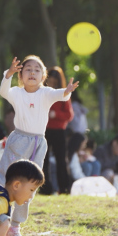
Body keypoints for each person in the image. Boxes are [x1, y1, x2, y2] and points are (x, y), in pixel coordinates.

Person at [0, 56, 78, 236]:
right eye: (28, 69)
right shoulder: (16, 92)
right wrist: (7, 74)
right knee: (5, 179)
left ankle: (15, 226)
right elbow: (3, 91)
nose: (32, 72)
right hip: (18, 139)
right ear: (21, 75)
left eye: (37, 70)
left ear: (43, 76)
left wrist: (68, 91)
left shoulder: (46, 93)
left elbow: (62, 95)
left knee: (30, 185)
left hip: (38, 143)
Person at [42, 66, 74, 195]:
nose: (51, 84)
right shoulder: (43, 93)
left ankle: (64, 188)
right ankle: (45, 188)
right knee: (43, 160)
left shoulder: (63, 94)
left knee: (61, 160)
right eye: (50, 81)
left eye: (54, 82)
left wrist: (56, 115)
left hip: (59, 131)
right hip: (44, 130)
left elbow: (69, 115)